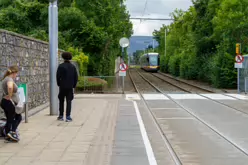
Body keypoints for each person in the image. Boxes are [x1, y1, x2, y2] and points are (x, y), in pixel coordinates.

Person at [0, 65, 22, 142]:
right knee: (18, 118)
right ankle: (12, 132)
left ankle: (8, 135)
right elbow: (10, 87)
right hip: (9, 102)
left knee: (10, 119)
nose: (16, 75)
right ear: (13, 72)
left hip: (5, 102)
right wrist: (9, 96)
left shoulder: (5, 79)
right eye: (16, 73)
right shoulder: (9, 79)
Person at [56, 52, 78, 122]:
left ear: (63, 57)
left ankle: (61, 116)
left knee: (61, 101)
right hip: (70, 87)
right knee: (69, 101)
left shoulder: (61, 66)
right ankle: (68, 116)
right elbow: (76, 77)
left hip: (62, 86)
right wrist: (74, 85)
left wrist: (59, 84)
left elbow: (58, 76)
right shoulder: (73, 67)